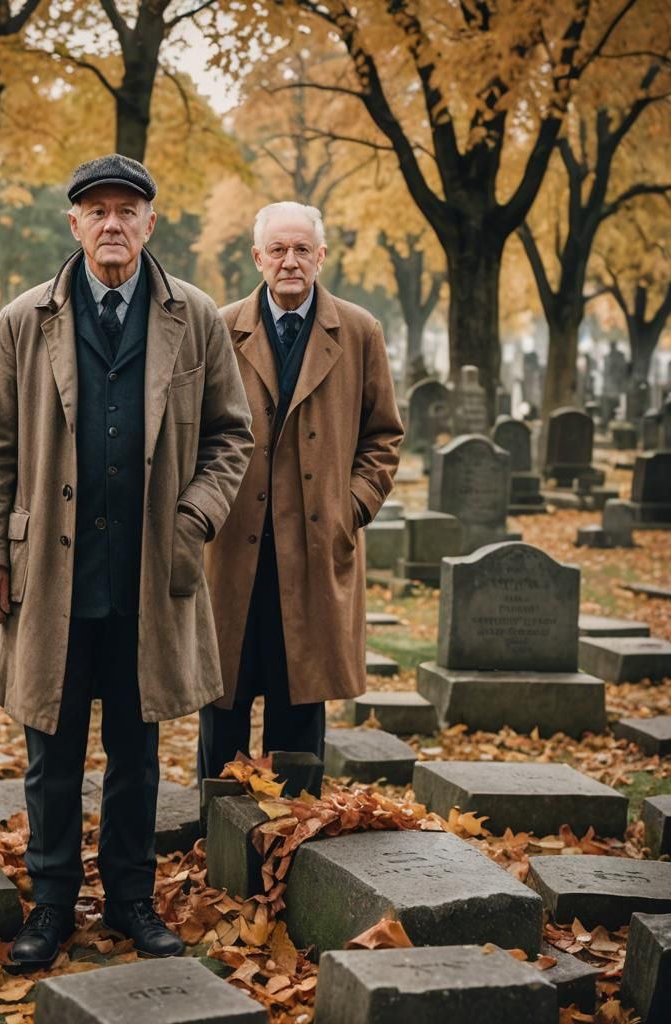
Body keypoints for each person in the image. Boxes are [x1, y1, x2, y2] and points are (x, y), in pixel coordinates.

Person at [0, 154, 253, 967]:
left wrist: (195, 516)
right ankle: (51, 906)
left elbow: (233, 434)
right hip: (48, 579)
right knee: (50, 755)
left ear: (151, 223)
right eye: (98, 211)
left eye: (129, 209)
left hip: (151, 578)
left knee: (136, 751)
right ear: (75, 225)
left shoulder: (193, 316)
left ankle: (130, 899)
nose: (114, 223)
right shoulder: (26, 319)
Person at [198, 201, 404, 780]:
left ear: (321, 256)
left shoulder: (359, 330)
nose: (291, 262)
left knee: (299, 706)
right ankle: (222, 838)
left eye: (302, 250)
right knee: (224, 703)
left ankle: (297, 842)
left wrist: (351, 507)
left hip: (315, 550)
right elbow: (192, 431)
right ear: (258, 258)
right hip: (234, 548)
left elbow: (383, 435)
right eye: (278, 251)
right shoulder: (220, 325)